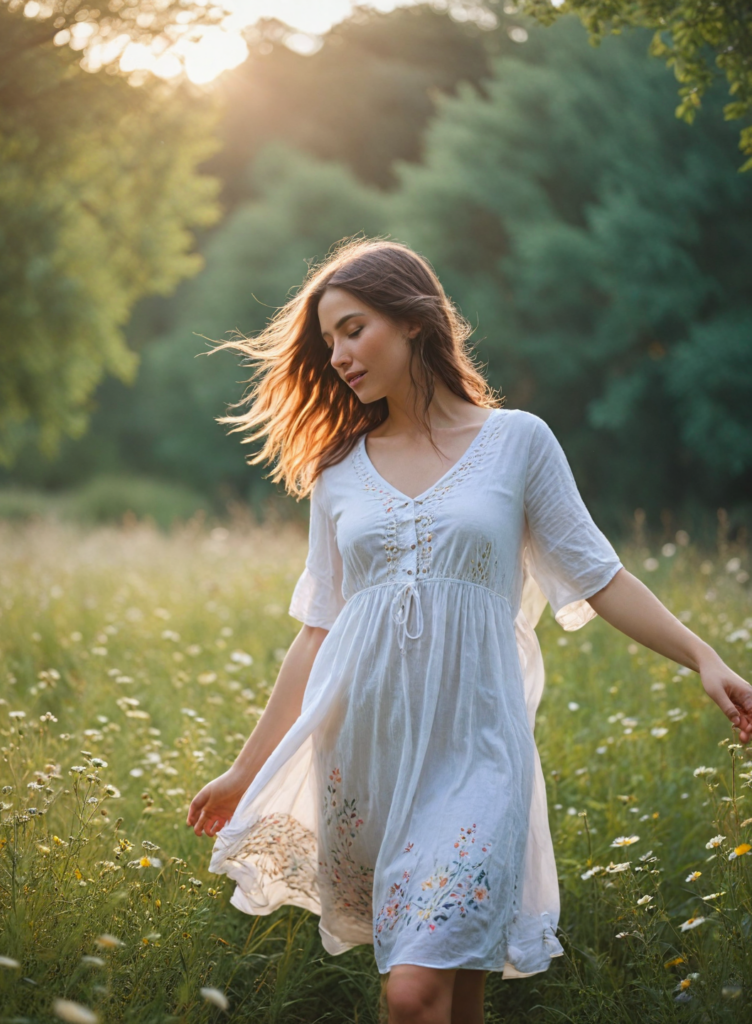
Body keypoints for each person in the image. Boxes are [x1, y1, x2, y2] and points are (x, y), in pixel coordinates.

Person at [187, 238, 752, 1024]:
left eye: (353, 329)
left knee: (413, 990)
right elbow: (317, 632)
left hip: (478, 752)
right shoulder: (337, 471)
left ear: (413, 319)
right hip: (367, 752)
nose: (340, 355)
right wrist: (244, 771)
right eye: (328, 343)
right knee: (451, 995)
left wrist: (703, 657)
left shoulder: (516, 442)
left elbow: (600, 575)